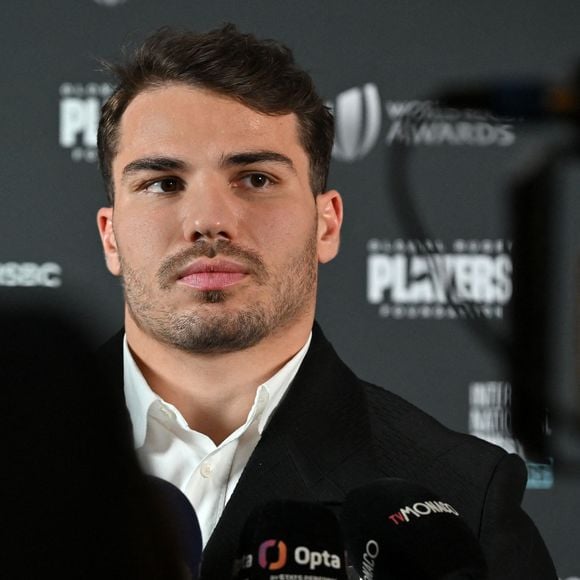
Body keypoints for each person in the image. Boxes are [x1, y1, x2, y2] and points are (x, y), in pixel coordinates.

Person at [95, 24, 556, 579]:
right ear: (111, 235)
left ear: (327, 224)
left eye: (256, 179)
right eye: (164, 183)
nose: (208, 221)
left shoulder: (461, 499)